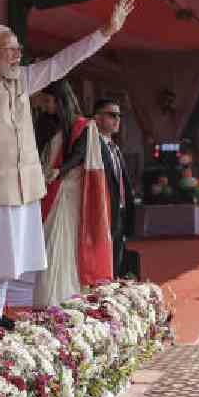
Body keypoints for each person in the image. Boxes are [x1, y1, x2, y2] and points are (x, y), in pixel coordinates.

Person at [0, 0, 134, 343]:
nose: (18, 54)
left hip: (21, 192)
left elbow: (62, 63)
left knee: (4, 270)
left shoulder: (21, 80)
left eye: (17, 48)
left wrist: (105, 32)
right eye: (10, 48)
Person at [32, 81, 111, 307]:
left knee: (63, 243)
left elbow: (79, 154)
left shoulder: (84, 126)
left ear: (60, 101)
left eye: (49, 101)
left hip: (68, 192)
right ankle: (48, 296)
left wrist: (60, 170)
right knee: (50, 243)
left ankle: (63, 297)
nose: (46, 106)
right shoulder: (46, 123)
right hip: (48, 189)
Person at [58, 97, 136, 279]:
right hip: (102, 209)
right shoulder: (92, 139)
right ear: (97, 118)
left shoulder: (114, 146)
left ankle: (111, 292)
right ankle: (100, 292)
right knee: (102, 256)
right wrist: (58, 171)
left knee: (116, 255)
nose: (117, 119)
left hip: (120, 210)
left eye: (119, 115)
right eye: (112, 115)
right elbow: (77, 155)